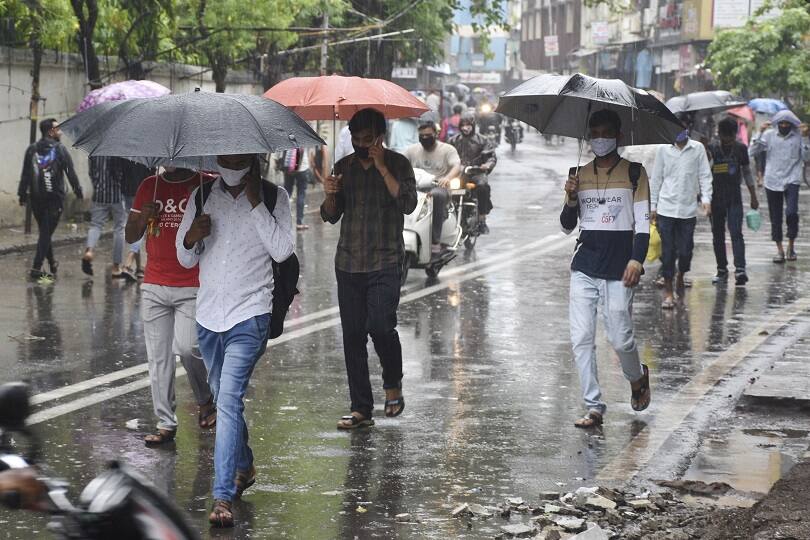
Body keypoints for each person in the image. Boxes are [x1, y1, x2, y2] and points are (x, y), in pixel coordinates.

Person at [176, 153, 294, 527]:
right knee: (221, 393)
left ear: (253, 157)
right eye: (225, 154)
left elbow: (282, 250)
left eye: (239, 154)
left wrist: (257, 202)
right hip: (209, 316)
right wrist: (193, 237)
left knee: (227, 399)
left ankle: (222, 496)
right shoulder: (200, 196)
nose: (231, 160)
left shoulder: (277, 197)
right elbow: (184, 258)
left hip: (251, 314)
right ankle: (244, 464)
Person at [320, 108, 417, 430]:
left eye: (368, 140)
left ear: (380, 137)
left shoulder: (399, 164)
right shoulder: (343, 168)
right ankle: (361, 408)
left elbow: (407, 203)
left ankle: (393, 383)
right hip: (348, 263)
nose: (361, 145)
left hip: (385, 261)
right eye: (356, 140)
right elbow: (330, 215)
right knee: (352, 336)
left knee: (380, 325)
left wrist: (381, 166)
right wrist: (331, 195)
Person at [560, 109, 652, 429]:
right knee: (582, 337)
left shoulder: (635, 174)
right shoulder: (578, 173)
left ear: (619, 137)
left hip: (620, 266)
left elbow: (642, 226)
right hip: (585, 264)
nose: (599, 139)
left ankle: (638, 377)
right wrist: (571, 198)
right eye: (594, 134)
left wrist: (636, 260)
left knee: (620, 337)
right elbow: (566, 226)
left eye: (605, 133)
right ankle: (593, 406)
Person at [126, 167, 216, 447]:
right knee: (158, 359)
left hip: (192, 283)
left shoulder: (207, 185)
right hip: (154, 283)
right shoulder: (149, 185)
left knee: (189, 348)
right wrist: (143, 218)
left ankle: (205, 399)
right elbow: (130, 236)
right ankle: (166, 423)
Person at [650, 128, 712, 309]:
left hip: (688, 210)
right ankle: (668, 291)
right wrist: (653, 206)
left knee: (685, 251)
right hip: (666, 209)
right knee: (668, 253)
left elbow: (704, 175)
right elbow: (656, 178)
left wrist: (706, 199)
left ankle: (680, 276)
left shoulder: (697, 148)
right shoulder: (663, 150)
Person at [18, 118, 84, 279]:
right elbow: (70, 172)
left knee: (45, 232)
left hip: (36, 199)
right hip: (55, 200)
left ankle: (53, 263)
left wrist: (21, 195)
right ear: (50, 131)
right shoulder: (60, 149)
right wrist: (78, 190)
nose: (60, 131)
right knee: (46, 233)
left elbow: (25, 174)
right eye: (57, 128)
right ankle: (36, 267)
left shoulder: (31, 149)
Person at [749, 110, 810, 262]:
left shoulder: (798, 137)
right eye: (781, 123)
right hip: (772, 180)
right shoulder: (769, 135)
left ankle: (791, 246)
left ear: (792, 124)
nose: (783, 125)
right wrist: (759, 132)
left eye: (787, 123)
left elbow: (806, 157)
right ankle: (780, 250)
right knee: (775, 217)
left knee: (791, 213)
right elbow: (752, 151)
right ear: (776, 124)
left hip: (792, 179)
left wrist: (806, 138)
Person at [708, 117, 759, 285]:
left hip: (734, 196)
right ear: (719, 134)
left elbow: (747, 173)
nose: (726, 140)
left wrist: (753, 196)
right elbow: (705, 172)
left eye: (729, 136)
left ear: (734, 134)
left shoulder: (741, 149)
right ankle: (721, 270)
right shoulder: (712, 148)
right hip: (716, 197)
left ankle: (740, 270)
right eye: (723, 136)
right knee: (717, 235)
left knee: (736, 232)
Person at [403, 120, 461, 260]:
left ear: (436, 134)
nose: (424, 138)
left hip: (439, 188)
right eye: (421, 135)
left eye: (428, 135)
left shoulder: (447, 150)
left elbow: (456, 166)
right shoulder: (412, 150)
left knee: (436, 196)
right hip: (415, 188)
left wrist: (447, 178)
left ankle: (435, 243)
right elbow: (399, 163)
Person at [81, 156, 134, 280]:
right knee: (119, 229)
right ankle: (116, 267)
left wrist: (97, 185)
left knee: (96, 225)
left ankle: (89, 250)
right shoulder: (118, 151)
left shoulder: (95, 151)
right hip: (117, 195)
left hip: (99, 194)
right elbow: (123, 174)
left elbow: (91, 173)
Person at [449, 113, 496, 234]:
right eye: (463, 125)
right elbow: (445, 155)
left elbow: (491, 157)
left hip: (476, 172)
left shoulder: (483, 140)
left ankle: (482, 219)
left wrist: (486, 165)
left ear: (473, 125)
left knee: (482, 187)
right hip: (459, 174)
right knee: (448, 190)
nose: (466, 128)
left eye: (468, 125)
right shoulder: (453, 140)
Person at [122, 160, 152, 278]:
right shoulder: (148, 156)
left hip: (128, 191)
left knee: (136, 226)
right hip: (142, 192)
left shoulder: (130, 153)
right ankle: (129, 260)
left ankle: (139, 267)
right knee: (140, 228)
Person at [281, 147, 312, 230]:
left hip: (289, 167)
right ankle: (299, 222)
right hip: (302, 168)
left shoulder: (286, 134)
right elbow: (305, 150)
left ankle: (281, 219)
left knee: (286, 194)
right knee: (301, 195)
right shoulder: (305, 134)